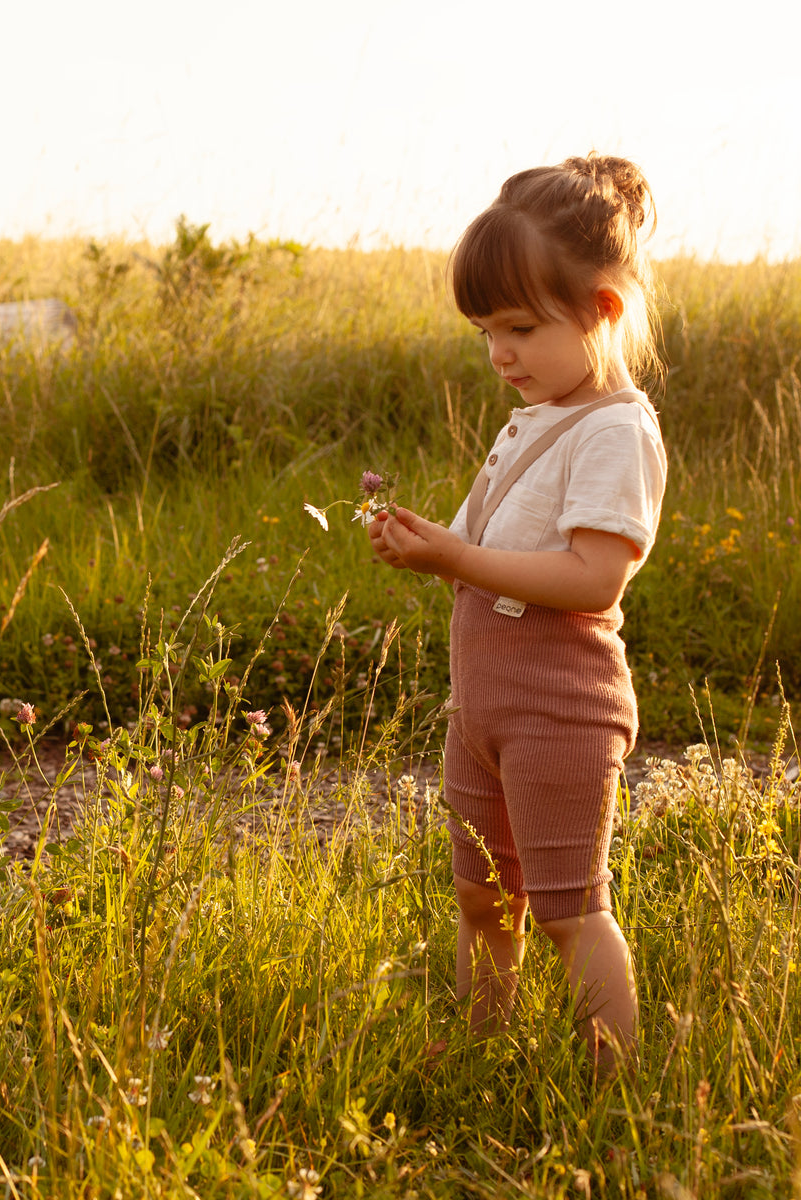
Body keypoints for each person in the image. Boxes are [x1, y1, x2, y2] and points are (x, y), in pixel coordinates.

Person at [368, 154, 667, 1075]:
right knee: (482, 901)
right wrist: (429, 546)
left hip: (560, 711)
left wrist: (455, 556)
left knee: (571, 907)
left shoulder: (616, 429)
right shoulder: (530, 420)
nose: (500, 353)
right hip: (486, 711)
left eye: (522, 329)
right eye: (486, 331)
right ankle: (476, 1055)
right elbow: (492, 551)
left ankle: (615, 1088)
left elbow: (592, 579)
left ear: (603, 312)